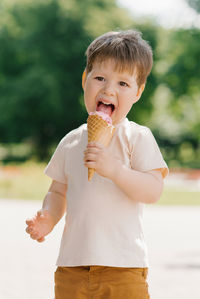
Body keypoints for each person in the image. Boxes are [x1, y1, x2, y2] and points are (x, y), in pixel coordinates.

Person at [26, 30, 168, 299]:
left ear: (138, 92)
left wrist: (115, 170)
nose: (108, 89)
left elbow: (153, 190)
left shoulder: (136, 137)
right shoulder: (71, 141)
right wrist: (48, 217)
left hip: (124, 266)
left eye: (123, 84)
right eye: (100, 78)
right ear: (85, 80)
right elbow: (58, 191)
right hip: (72, 266)